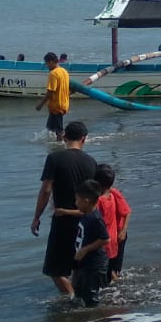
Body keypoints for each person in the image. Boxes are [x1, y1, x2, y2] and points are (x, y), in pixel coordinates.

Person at [31, 120, 97, 298]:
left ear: (64, 137)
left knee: (55, 270)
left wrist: (36, 217)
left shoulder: (54, 158)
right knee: (77, 265)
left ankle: (72, 300)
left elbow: (46, 190)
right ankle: (81, 302)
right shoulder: (91, 162)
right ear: (84, 139)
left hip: (63, 219)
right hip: (86, 221)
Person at [66, 180, 110, 306]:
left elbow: (105, 238)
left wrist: (86, 249)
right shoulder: (86, 214)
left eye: (77, 200)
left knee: (90, 297)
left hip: (94, 264)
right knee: (78, 290)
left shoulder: (95, 218)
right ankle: (83, 321)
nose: (75, 203)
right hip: (83, 262)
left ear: (85, 201)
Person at [94, 163, 130, 283]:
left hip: (112, 238)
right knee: (111, 270)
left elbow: (127, 211)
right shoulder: (112, 193)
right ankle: (117, 290)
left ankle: (118, 290)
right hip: (114, 237)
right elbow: (127, 211)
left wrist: (123, 230)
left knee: (109, 271)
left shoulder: (100, 200)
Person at [34, 51, 70, 139]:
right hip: (64, 104)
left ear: (51, 62)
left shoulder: (53, 73)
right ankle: (54, 147)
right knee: (50, 129)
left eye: (47, 64)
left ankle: (62, 147)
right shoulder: (64, 71)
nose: (47, 66)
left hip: (56, 106)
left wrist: (40, 104)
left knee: (59, 131)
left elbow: (50, 92)